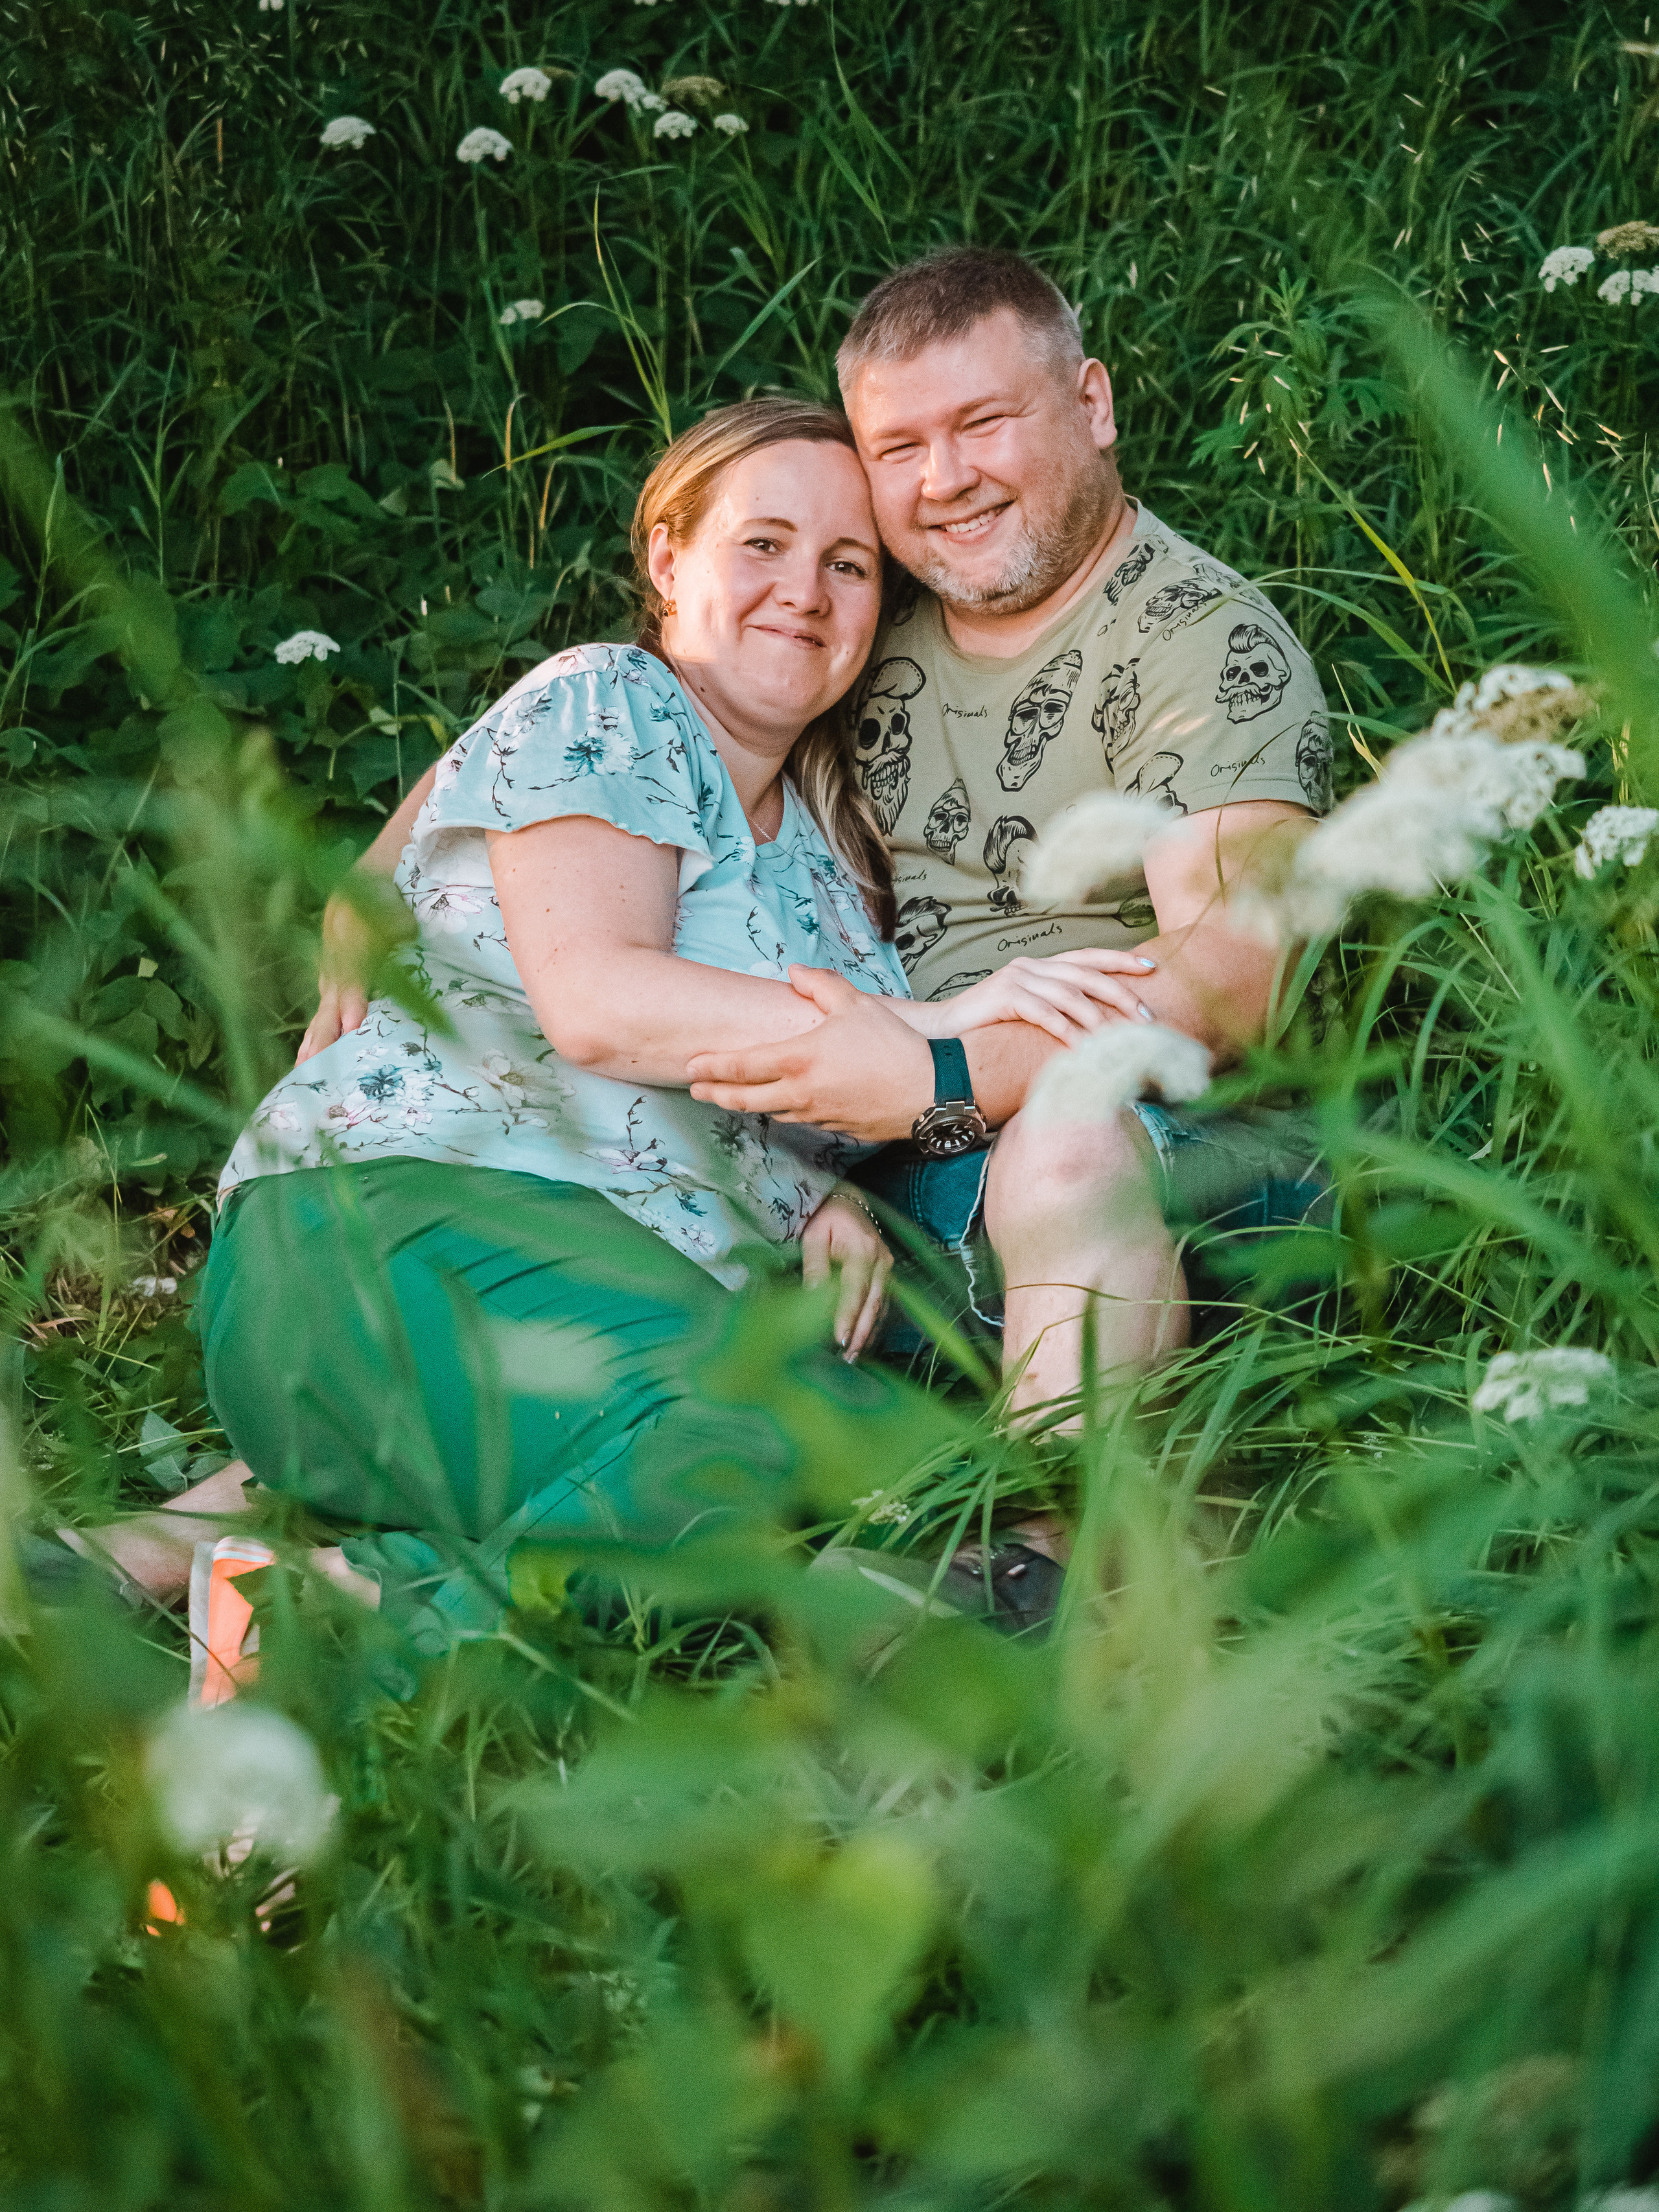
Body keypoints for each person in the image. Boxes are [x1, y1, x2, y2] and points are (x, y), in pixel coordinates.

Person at [50, 397, 1155, 1636]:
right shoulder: (609, 703)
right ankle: (353, 1628)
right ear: (667, 557)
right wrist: (942, 1027)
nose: (807, 588)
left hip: (616, 1329)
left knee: (900, 1481)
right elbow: (599, 1001)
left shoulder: (840, 876)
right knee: (821, 1456)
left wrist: (816, 1188)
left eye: (849, 564)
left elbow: (767, 1071)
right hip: (397, 1228)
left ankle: (311, 1597)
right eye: (764, 543)